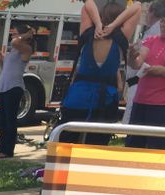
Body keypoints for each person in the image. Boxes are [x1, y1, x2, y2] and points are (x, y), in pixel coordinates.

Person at [59, 0, 140, 145]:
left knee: (66, 144)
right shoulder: (121, 38)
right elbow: (137, 6)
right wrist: (114, 25)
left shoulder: (88, 33)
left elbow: (87, 3)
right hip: (106, 100)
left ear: (101, 16)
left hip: (78, 96)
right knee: (97, 146)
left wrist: (97, 24)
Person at [0, 23, 35, 158]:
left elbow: (14, 41)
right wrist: (0, 61)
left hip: (14, 88)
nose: (12, 35)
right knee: (2, 120)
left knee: (10, 120)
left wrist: (26, 35)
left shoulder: (25, 48)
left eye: (14, 33)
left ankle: (8, 150)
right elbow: (6, 70)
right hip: (5, 87)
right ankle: (1, 148)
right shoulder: (14, 50)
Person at [126, 1, 165, 149]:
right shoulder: (151, 40)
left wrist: (162, 71)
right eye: (162, 21)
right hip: (140, 100)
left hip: (161, 105)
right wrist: (132, 57)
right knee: (133, 145)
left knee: (156, 147)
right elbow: (137, 63)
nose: (162, 25)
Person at [123, 2, 160, 124]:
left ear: (152, 13)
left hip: (144, 83)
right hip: (140, 85)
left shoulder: (156, 32)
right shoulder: (150, 33)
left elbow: (143, 62)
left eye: (146, 11)